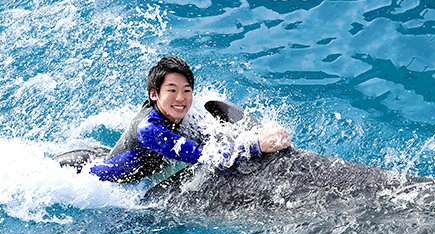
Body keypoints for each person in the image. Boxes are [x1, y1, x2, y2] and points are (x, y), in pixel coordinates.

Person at [90, 55, 291, 183]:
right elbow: (205, 157)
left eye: (187, 90)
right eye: (171, 90)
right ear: (154, 94)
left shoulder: (183, 114)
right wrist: (258, 144)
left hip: (122, 162)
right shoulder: (149, 129)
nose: (180, 98)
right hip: (95, 182)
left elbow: (216, 135)